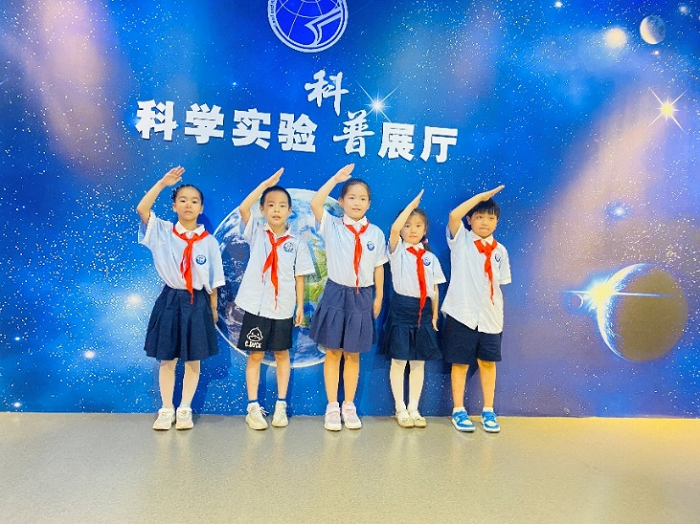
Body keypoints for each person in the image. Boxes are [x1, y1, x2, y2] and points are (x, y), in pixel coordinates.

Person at [136, 166, 225, 431]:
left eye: (194, 201)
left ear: (201, 208)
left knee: (193, 359)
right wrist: (162, 183)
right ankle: (166, 409)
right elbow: (142, 209)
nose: (188, 205)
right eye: (182, 200)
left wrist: (213, 309)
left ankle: (185, 408)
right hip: (170, 300)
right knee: (167, 359)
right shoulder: (162, 231)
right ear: (174, 206)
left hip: (197, 301)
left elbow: (214, 280)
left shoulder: (209, 242)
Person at [234, 168, 315, 430]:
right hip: (256, 306)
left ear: (290, 211)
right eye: (270, 205)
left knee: (282, 354)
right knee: (255, 355)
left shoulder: (297, 242)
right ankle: (253, 407)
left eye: (282, 205)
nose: (276, 209)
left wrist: (300, 305)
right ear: (262, 209)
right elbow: (243, 208)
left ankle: (281, 405)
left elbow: (300, 276)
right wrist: (265, 184)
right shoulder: (256, 232)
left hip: (283, 308)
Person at [309, 164, 388, 431]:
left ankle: (349, 405)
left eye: (362, 198)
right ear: (341, 201)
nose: (357, 202)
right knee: (333, 352)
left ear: (369, 204)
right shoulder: (331, 225)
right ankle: (332, 406)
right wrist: (335, 178)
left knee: (353, 354)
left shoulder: (376, 233)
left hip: (362, 295)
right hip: (335, 293)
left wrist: (378, 297)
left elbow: (379, 266)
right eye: (351, 197)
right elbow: (315, 203)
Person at [441, 185, 510, 433]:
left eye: (490, 218)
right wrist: (480, 198)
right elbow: (453, 216)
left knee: (488, 363)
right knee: (460, 363)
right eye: (479, 217)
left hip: (490, 317)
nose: (485, 222)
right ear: (470, 219)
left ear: (497, 222)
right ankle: (458, 410)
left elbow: (500, 283)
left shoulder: (500, 251)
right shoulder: (461, 240)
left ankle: (488, 410)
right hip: (462, 314)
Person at [380, 190, 446, 428]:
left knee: (419, 362)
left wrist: (435, 315)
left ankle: (414, 407)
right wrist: (410, 207)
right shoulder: (396, 251)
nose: (412, 230)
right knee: (399, 361)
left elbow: (435, 288)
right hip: (401, 308)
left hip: (424, 312)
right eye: (407, 225)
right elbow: (394, 230)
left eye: (418, 225)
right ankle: (400, 408)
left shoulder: (430, 258)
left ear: (425, 229)